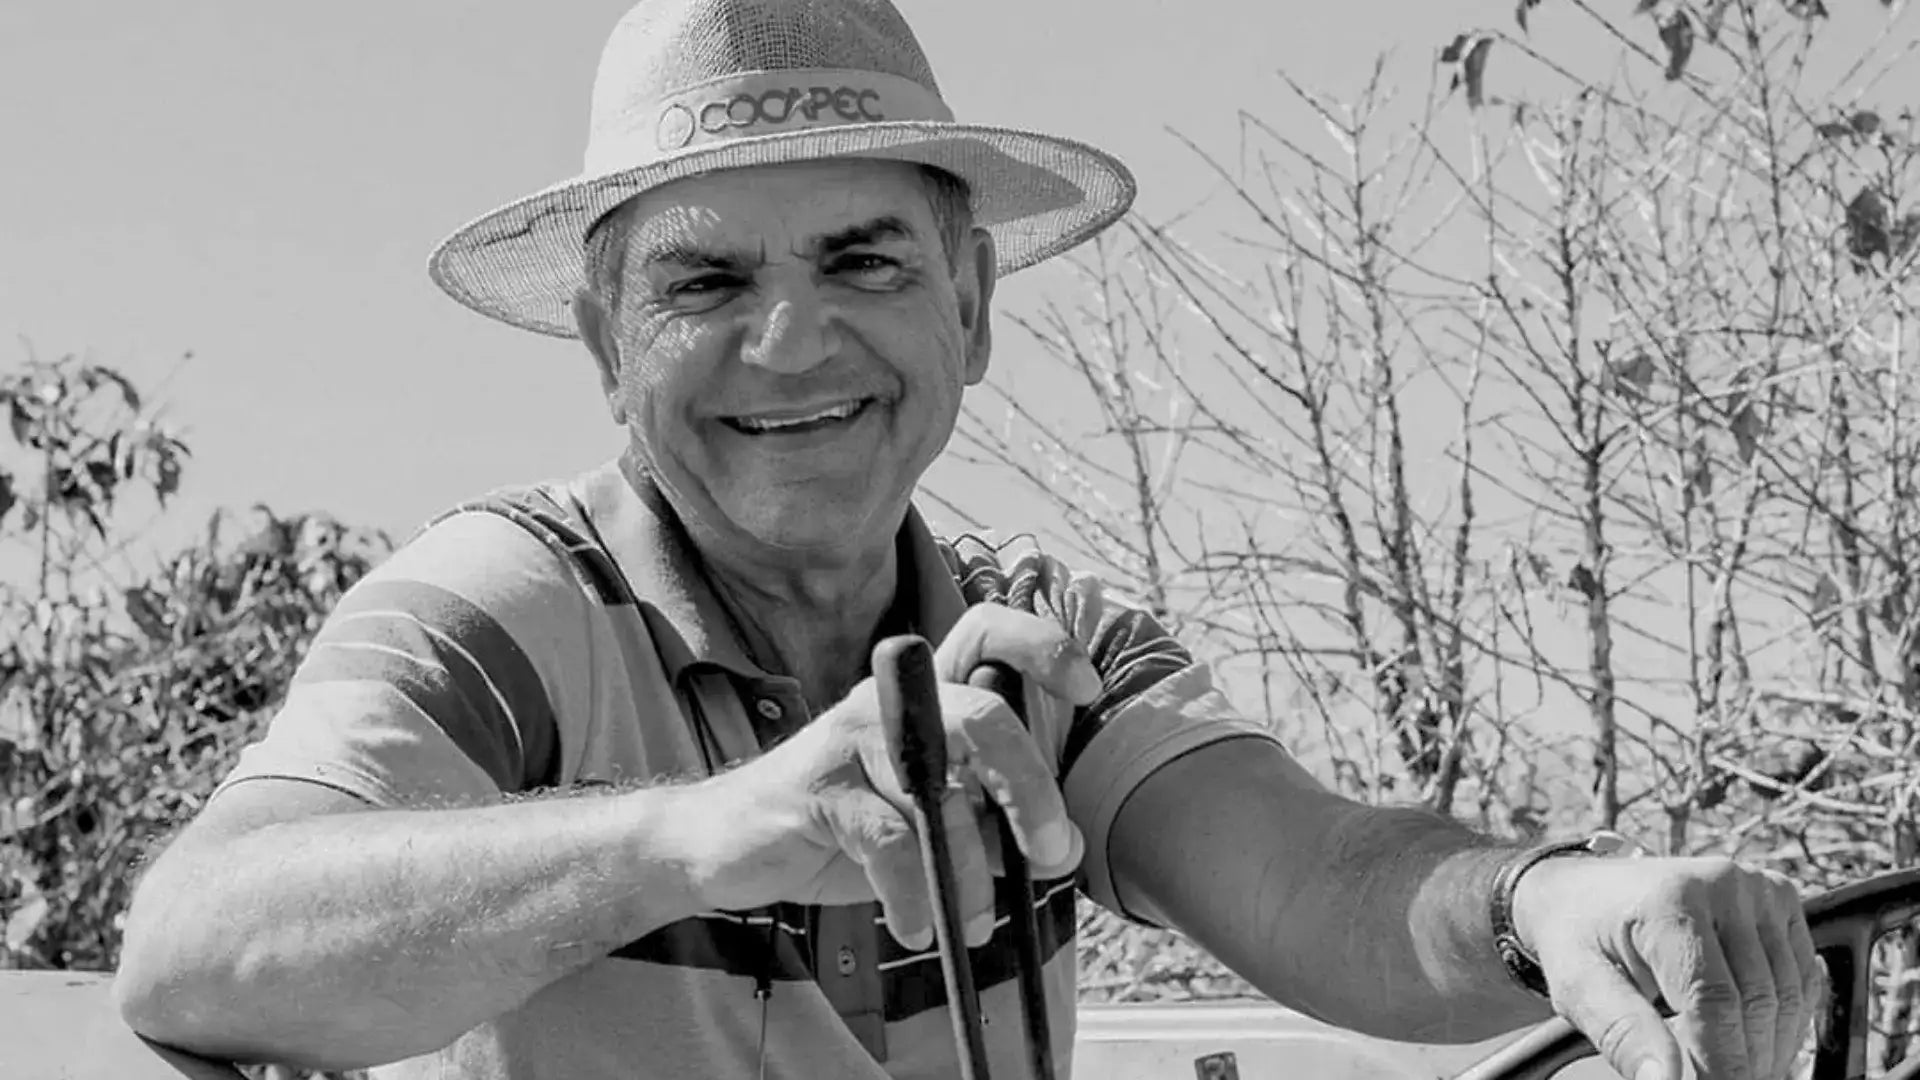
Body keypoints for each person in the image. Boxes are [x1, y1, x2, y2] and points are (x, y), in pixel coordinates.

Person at [110, 1, 1820, 1078]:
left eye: (862, 261)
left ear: (973, 301)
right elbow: (199, 950)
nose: (790, 346)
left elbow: (1324, 882)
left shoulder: (1045, 631)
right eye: (706, 281)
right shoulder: (503, 609)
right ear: (603, 345)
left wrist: (1560, 895)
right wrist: (712, 836)